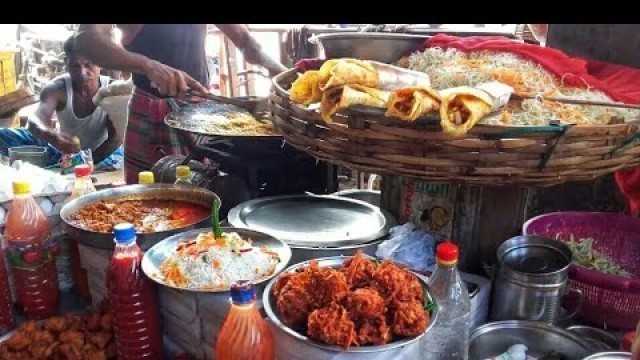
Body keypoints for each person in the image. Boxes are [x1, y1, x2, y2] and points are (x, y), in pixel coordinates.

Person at [74, 24, 288, 184]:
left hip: (203, 111)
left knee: (207, 194)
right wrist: (149, 66)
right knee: (151, 204)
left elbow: (245, 40)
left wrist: (284, 75)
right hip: (153, 112)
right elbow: (86, 40)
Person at [0, 35, 123, 168]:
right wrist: (53, 137)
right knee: (3, 135)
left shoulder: (112, 91)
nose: (82, 72)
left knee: (121, 157)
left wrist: (85, 162)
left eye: (88, 65)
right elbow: (35, 120)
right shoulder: (57, 88)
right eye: (75, 66)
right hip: (64, 154)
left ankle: (71, 168)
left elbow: (116, 139)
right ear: (66, 63)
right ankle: (67, 167)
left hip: (103, 155)